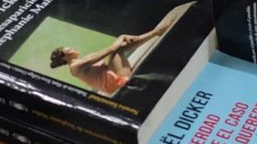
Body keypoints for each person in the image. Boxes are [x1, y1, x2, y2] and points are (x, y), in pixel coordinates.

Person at [49, 5, 190, 94]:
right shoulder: (75, 67)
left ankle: (155, 33)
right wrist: (122, 36)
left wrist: (123, 39)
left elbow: (108, 51)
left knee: (119, 48)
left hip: (115, 77)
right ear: (65, 57)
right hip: (116, 83)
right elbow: (110, 50)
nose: (73, 48)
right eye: (69, 49)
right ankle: (155, 33)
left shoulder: (82, 61)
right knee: (116, 50)